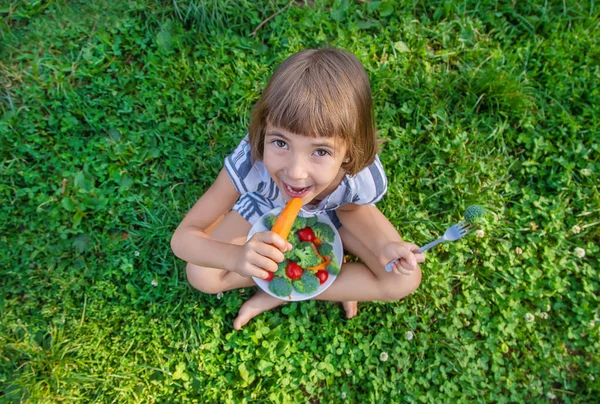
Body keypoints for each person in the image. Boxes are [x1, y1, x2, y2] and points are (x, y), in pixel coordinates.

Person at [170, 47, 425, 330]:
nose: (295, 172)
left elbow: (352, 209)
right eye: (280, 143)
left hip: (335, 211)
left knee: (403, 279)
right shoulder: (252, 164)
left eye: (320, 151)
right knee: (201, 275)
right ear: (263, 130)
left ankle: (283, 292)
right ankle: (290, 285)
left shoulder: (361, 177)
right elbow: (183, 238)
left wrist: (383, 246)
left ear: (350, 153)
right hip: (264, 209)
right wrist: (238, 257)